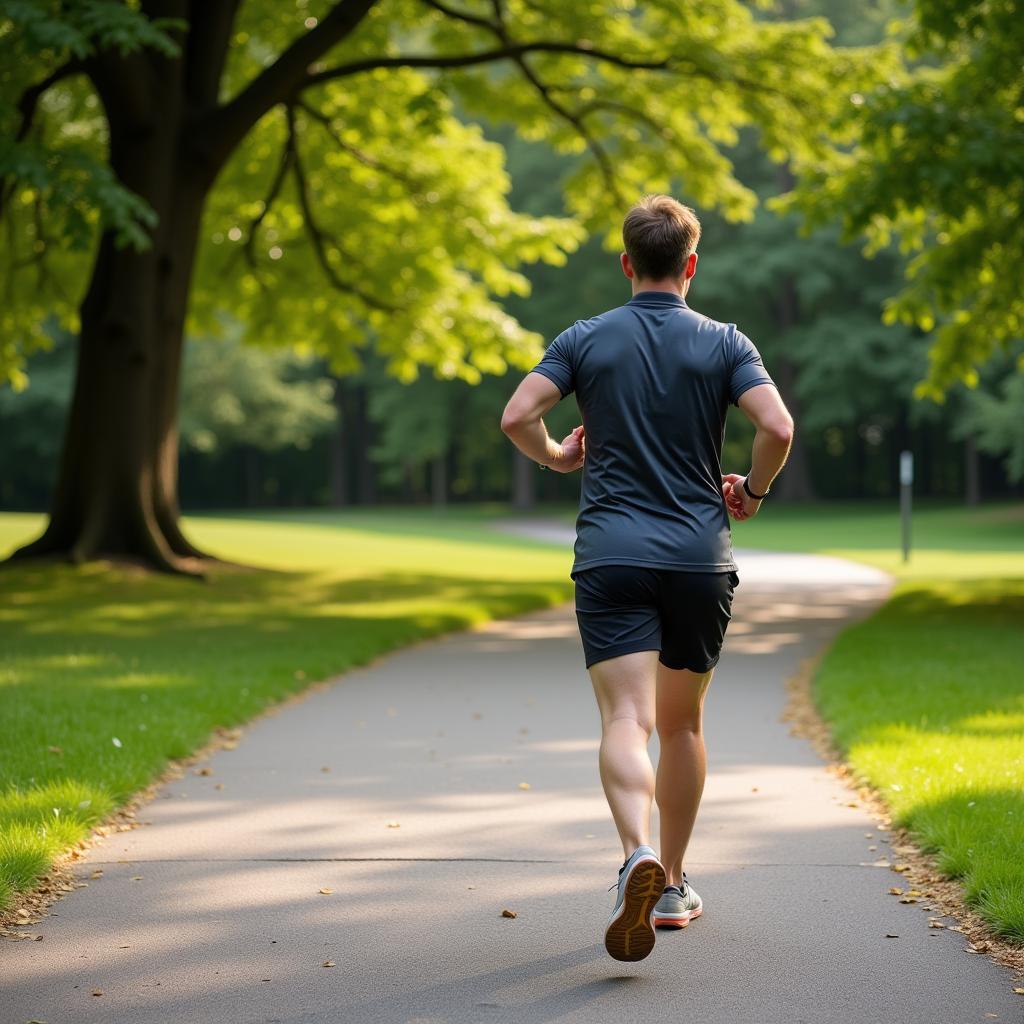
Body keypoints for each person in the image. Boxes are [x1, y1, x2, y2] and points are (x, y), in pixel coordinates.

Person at [500, 194, 794, 962]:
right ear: (690, 265)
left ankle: (635, 852)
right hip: (699, 558)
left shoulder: (585, 338)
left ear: (628, 264)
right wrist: (752, 494)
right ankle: (673, 885)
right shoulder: (726, 342)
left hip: (610, 557)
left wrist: (560, 457)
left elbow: (516, 415)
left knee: (624, 723)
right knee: (682, 725)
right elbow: (778, 426)